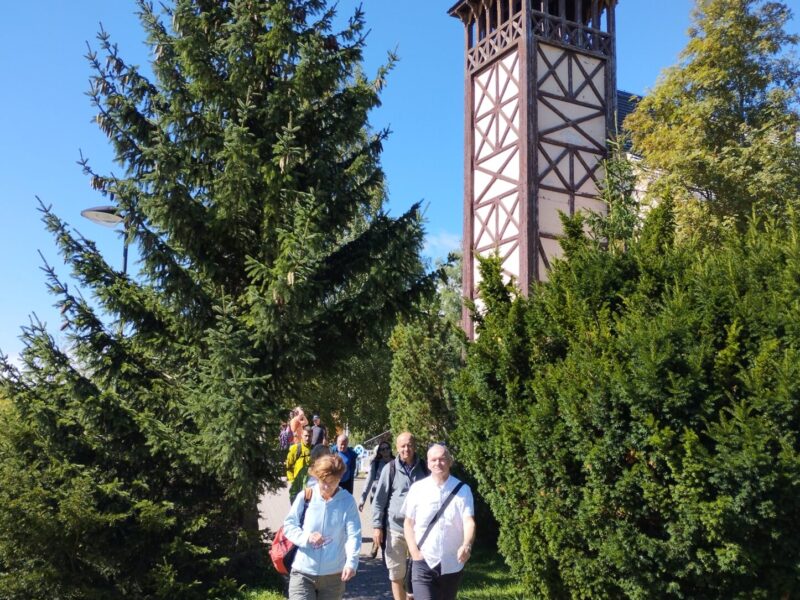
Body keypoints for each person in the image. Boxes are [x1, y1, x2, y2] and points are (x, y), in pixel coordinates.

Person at [282, 454, 362, 600]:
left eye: (332, 482)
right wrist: (307, 538)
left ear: (340, 478)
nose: (326, 487)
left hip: (333, 575)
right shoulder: (306, 496)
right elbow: (289, 525)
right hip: (303, 572)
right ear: (317, 478)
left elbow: (353, 535)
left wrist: (351, 562)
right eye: (323, 481)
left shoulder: (347, 501)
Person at [402, 444, 475, 600]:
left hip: (452, 563)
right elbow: (408, 524)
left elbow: (469, 521)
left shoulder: (463, 490)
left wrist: (467, 544)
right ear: (428, 463)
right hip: (423, 560)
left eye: (442, 459)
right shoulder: (417, 489)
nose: (438, 463)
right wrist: (414, 552)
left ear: (449, 461)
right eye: (433, 460)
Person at [371, 432, 429, 600]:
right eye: (402, 446)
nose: (406, 449)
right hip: (395, 529)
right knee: (396, 573)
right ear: (397, 448)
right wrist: (377, 527)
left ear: (415, 446)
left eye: (409, 445)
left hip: (420, 531)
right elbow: (379, 500)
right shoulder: (390, 469)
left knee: (416, 573)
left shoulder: (425, 468)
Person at [359, 442, 393, 512]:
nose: (385, 450)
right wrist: (363, 499)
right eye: (383, 449)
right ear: (380, 452)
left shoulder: (396, 463)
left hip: (392, 498)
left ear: (390, 450)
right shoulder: (376, 464)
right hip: (377, 498)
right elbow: (369, 482)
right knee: (378, 521)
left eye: (387, 448)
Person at [286, 426, 313, 503]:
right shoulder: (295, 449)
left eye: (309, 436)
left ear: (312, 436)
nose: (307, 438)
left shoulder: (315, 449)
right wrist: (292, 481)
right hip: (297, 485)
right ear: (302, 435)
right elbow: (288, 467)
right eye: (306, 436)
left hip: (310, 486)